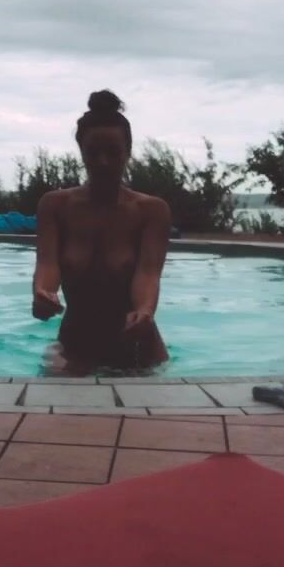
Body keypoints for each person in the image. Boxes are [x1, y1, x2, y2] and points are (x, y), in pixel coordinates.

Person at [32, 89, 171, 375]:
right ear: (81, 151)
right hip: (75, 346)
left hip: (138, 348)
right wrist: (42, 294)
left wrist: (145, 310)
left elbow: (148, 274)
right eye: (93, 153)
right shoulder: (55, 207)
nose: (103, 161)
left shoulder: (151, 211)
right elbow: (47, 265)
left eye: (113, 152)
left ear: (128, 151)